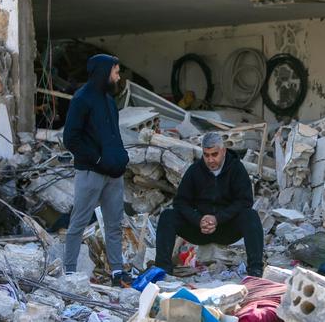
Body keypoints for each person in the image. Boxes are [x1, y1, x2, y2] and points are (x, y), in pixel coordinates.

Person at [63, 54, 131, 287]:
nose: (118, 76)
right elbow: (71, 138)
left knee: (114, 225)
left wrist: (121, 158)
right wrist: (98, 158)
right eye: (116, 72)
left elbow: (113, 134)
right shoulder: (82, 99)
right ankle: (69, 273)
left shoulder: (109, 100)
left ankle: (117, 272)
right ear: (104, 72)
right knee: (78, 224)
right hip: (91, 173)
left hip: (114, 174)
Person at [155, 132, 264, 277]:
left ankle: (255, 269)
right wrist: (198, 219)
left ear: (223, 151)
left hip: (226, 227)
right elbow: (180, 202)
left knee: (251, 216)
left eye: (215, 154)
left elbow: (245, 201)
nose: (210, 160)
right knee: (167, 216)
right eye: (206, 155)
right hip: (199, 229)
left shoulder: (236, 168)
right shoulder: (195, 171)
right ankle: (162, 270)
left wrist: (218, 218)